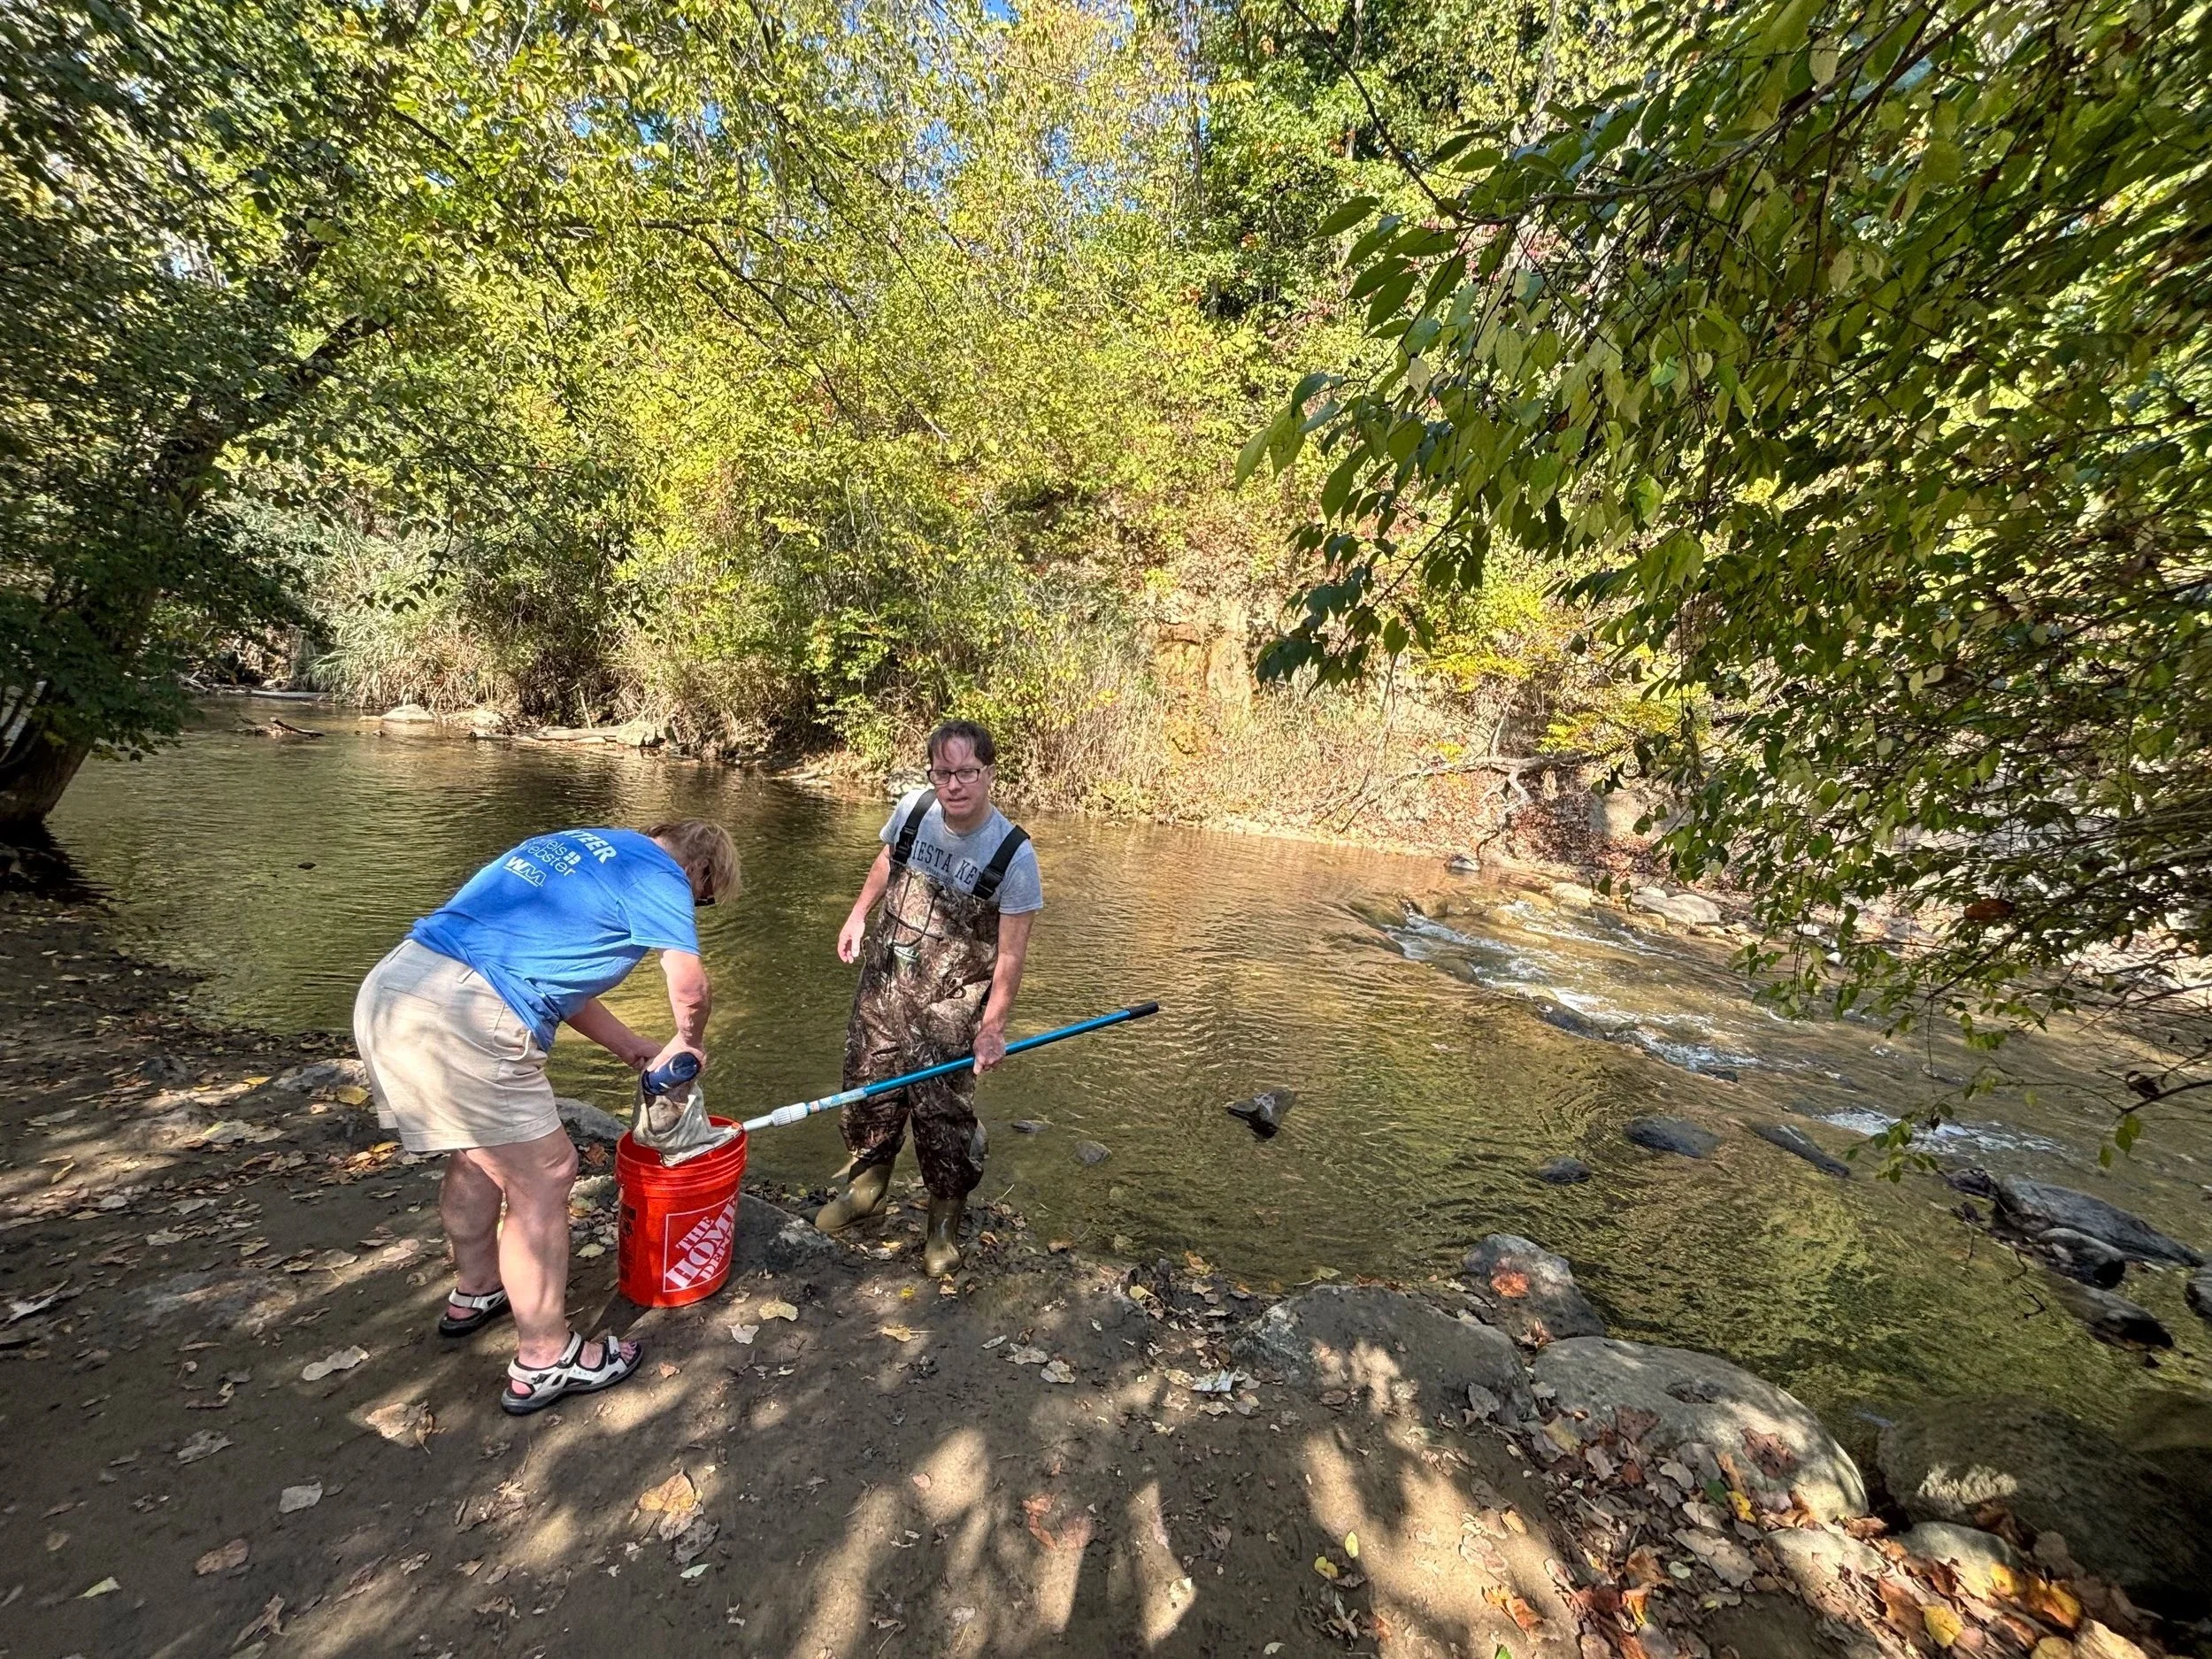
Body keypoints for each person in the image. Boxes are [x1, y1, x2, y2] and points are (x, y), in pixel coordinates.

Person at [352, 818, 738, 1415]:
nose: (694, 907)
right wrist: (689, 1042)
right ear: (700, 870)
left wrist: (628, 1045)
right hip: (467, 1014)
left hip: (396, 988)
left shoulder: (580, 848)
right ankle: (545, 1358)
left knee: (478, 1151)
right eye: (703, 900)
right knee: (545, 1174)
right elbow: (690, 987)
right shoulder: (663, 874)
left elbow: (551, 975)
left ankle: (478, 1288)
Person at [818, 719, 1041, 1274]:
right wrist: (857, 914)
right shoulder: (914, 810)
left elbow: (1011, 956)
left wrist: (992, 1027)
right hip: (885, 981)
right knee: (867, 1087)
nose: (954, 785)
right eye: (943, 773)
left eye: (967, 772)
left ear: (989, 774)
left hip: (951, 1005)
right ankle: (866, 1190)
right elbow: (886, 862)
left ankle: (943, 1223)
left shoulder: (1013, 856)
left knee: (941, 1112)